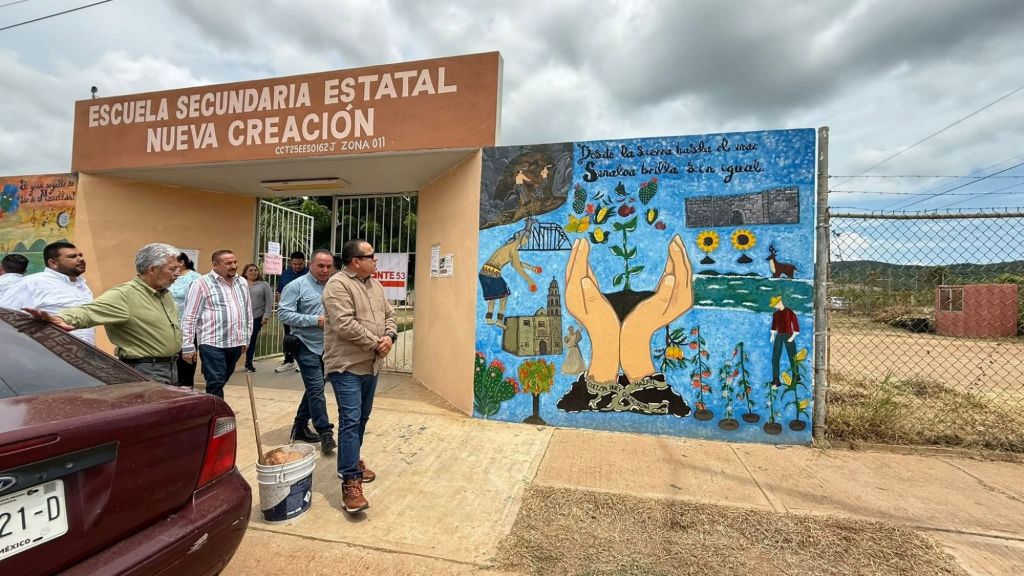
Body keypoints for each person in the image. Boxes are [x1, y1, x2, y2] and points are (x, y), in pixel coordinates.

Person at [26, 243, 182, 384]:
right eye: (172, 269)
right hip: (146, 369)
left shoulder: (164, 294)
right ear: (153, 269)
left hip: (171, 367)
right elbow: (87, 311)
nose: (177, 274)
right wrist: (61, 318)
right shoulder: (124, 295)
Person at [323, 239, 397, 514]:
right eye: (371, 256)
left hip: (371, 365)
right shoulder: (337, 285)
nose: (376, 260)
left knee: (361, 418)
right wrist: (376, 343)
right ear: (356, 261)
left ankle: (352, 461)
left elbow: (390, 315)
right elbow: (344, 324)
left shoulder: (375, 285)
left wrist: (389, 336)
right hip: (347, 366)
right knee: (351, 420)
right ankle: (350, 481)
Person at [279, 249, 336, 450]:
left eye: (328, 266)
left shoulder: (334, 286)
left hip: (329, 346)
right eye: (320, 266)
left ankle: (300, 425)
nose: (325, 270)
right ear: (310, 265)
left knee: (315, 388)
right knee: (316, 388)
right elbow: (283, 314)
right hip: (305, 344)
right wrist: (314, 320)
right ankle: (325, 432)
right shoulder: (296, 286)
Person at [180, 250, 253, 398]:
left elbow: (247, 312)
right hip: (212, 343)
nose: (233, 266)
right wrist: (187, 345)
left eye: (235, 262)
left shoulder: (242, 282)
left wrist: (246, 338)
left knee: (221, 380)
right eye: (228, 263)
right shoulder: (201, 284)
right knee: (216, 381)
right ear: (215, 265)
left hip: (235, 342)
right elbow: (190, 316)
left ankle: (208, 403)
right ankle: (216, 410)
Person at [0, 241, 94, 345]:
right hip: (44, 351)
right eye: (72, 256)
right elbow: (5, 317)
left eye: (80, 255)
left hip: (85, 351)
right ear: (53, 263)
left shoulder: (82, 286)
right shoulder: (32, 283)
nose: (80, 259)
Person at [478, 219, 541, 328]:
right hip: (493, 273)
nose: (527, 240)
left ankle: (489, 318)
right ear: (520, 237)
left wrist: (532, 268)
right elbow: (517, 267)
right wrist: (530, 281)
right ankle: (499, 320)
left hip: (484, 272)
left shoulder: (509, 247)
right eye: (527, 238)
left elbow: (516, 263)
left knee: (493, 296)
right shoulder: (513, 249)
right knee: (504, 295)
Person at [170, 252, 202, 387]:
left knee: (185, 361)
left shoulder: (196, 279)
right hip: (168, 325)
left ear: (181, 262)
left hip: (186, 326)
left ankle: (186, 388)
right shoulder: (169, 277)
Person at [275, 251, 308, 373]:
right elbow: (279, 292)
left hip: (304, 312)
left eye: (300, 264)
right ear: (290, 263)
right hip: (289, 312)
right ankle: (288, 361)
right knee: (288, 336)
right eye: (295, 264)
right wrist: (281, 306)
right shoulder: (285, 274)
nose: (297, 266)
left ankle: (302, 361)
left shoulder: (309, 274)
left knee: (303, 336)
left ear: (304, 262)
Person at [242, 263, 274, 372]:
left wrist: (266, 316)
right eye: (250, 270)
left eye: (255, 270)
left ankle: (248, 362)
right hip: (241, 317)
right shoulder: (240, 283)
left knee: (251, 339)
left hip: (257, 317)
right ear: (245, 273)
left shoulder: (263, 284)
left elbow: (269, 301)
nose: (253, 272)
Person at [769, 295, 800, 386]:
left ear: (779, 302)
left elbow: (795, 325)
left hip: (789, 335)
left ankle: (796, 376)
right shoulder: (776, 314)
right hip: (779, 335)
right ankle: (776, 379)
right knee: (775, 357)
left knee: (792, 356)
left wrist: (793, 337)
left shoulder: (789, 312)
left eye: (775, 304)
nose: (775, 307)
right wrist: (772, 335)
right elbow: (774, 325)